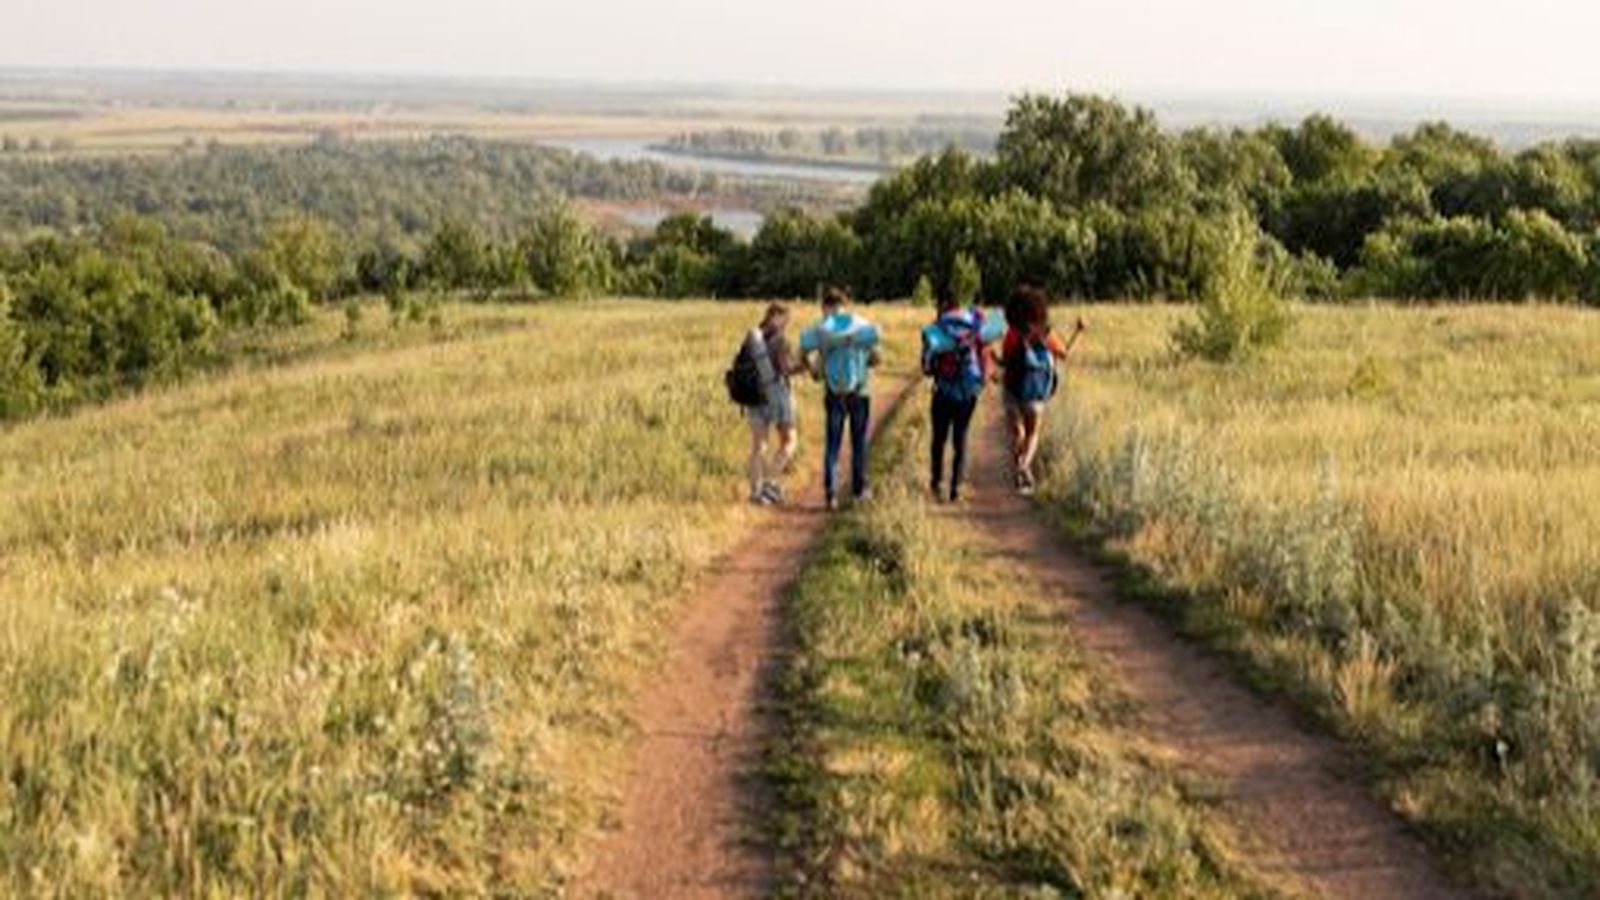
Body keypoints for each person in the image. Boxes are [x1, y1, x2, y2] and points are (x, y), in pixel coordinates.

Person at [799, 286, 881, 510]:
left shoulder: (821, 329)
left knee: (833, 445)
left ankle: (831, 493)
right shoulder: (861, 325)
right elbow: (877, 358)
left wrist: (815, 371)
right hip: (860, 392)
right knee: (858, 443)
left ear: (824, 306)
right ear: (845, 304)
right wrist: (862, 359)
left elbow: (802, 350)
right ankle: (858, 491)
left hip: (833, 393)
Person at [998, 285, 1085, 496]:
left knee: (1017, 433)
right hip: (1036, 391)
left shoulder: (1012, 334)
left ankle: (1019, 467)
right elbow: (1063, 354)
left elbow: (1005, 361)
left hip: (1012, 389)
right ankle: (1024, 466)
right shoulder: (1045, 333)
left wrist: (994, 361)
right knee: (1033, 433)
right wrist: (1077, 331)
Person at [920, 290, 1005, 503]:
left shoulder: (936, 329)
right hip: (968, 392)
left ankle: (936, 483)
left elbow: (927, 368)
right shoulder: (975, 325)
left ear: (943, 306)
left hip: (943, 391)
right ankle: (956, 488)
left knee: (939, 439)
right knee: (961, 438)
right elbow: (987, 354)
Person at [743, 303, 803, 505]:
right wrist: (803, 366)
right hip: (777, 396)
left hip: (753, 397)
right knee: (790, 441)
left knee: (759, 445)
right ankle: (770, 482)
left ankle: (755, 492)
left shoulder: (751, 339)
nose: (787, 323)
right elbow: (786, 369)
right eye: (785, 318)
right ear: (775, 316)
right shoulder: (780, 340)